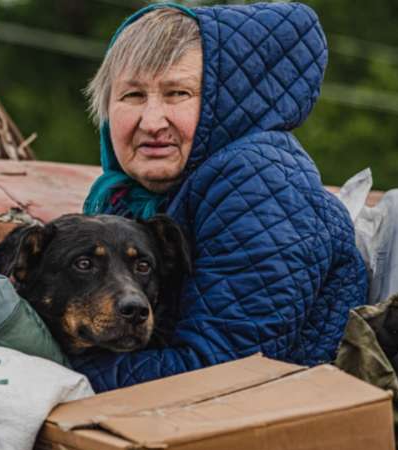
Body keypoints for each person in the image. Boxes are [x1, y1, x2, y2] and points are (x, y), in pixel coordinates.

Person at [74, 2, 368, 392]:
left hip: (265, 426)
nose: (152, 121)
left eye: (177, 93)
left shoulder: (261, 184)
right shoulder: (126, 197)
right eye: (132, 96)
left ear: (222, 102)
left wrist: (53, 367)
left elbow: (220, 374)